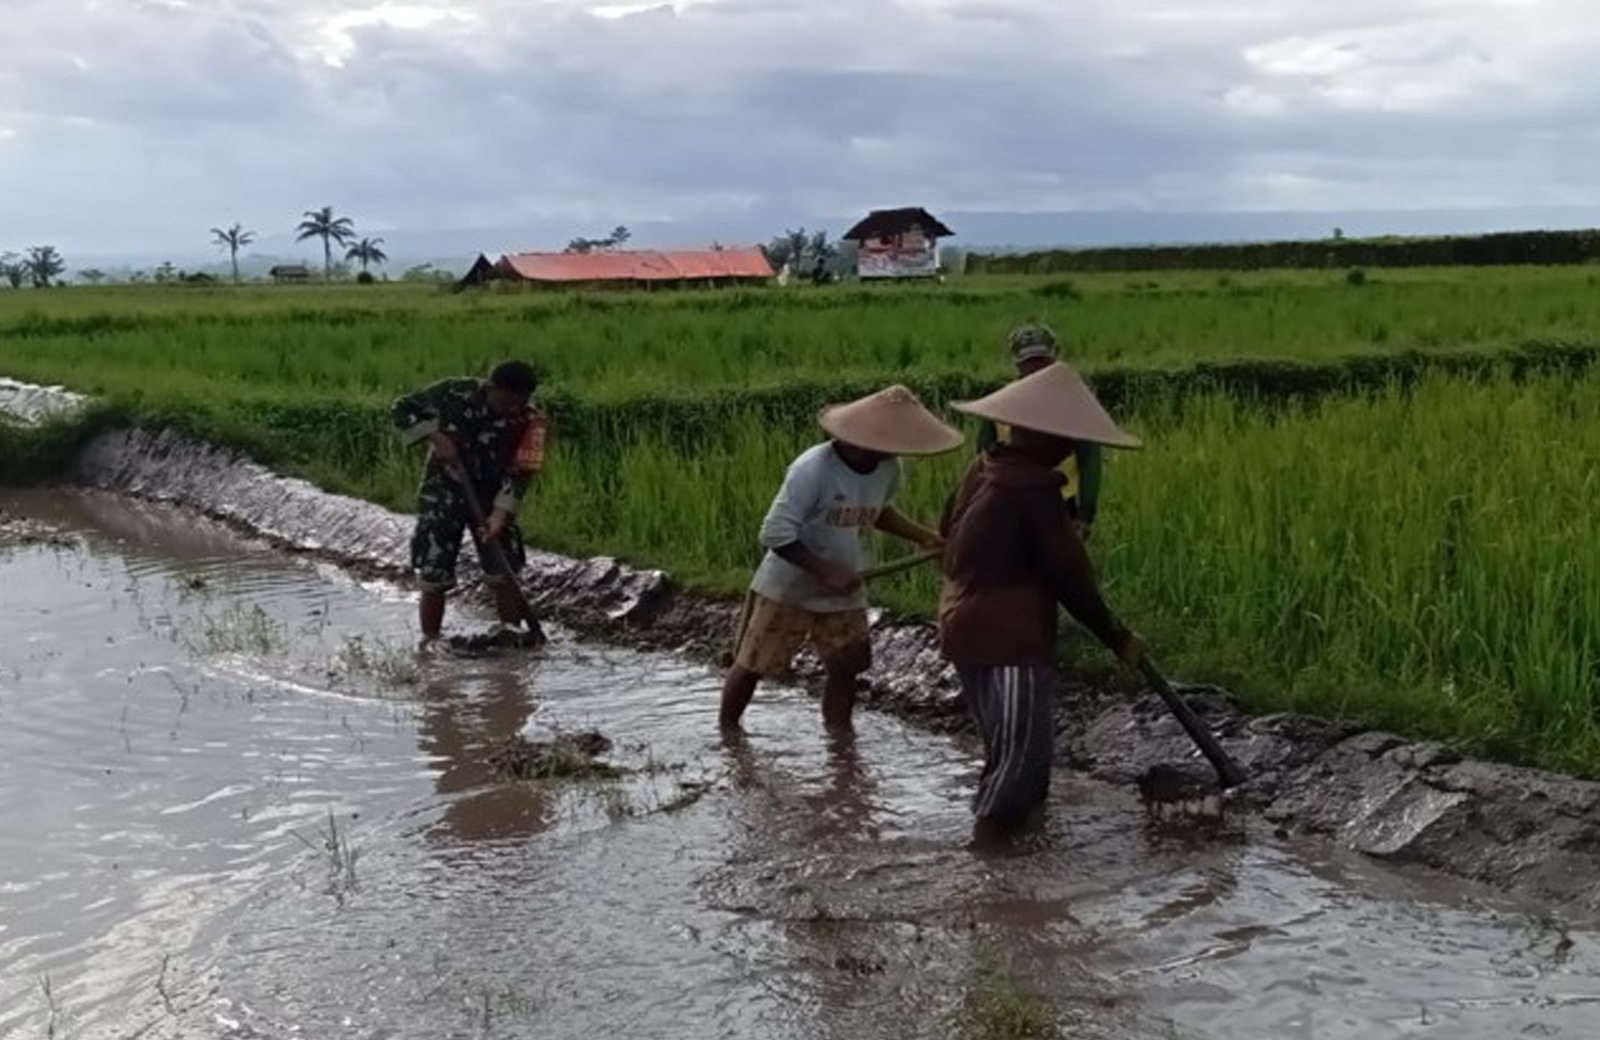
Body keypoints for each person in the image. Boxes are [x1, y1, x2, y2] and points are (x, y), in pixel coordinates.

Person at [940, 360, 1146, 846]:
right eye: (1073, 438)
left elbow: (946, 530)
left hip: (963, 627)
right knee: (1021, 764)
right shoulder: (1034, 492)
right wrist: (1118, 637)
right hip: (1008, 640)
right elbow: (1071, 578)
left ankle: (1025, 857)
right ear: (1055, 439)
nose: (1076, 447)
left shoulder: (984, 466)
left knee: (1006, 752)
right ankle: (988, 875)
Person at [720, 385, 962, 733]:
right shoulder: (813, 469)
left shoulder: (887, 468)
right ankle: (729, 736)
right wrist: (823, 570)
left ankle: (840, 744)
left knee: (846, 666)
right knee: (753, 662)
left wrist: (922, 536)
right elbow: (774, 533)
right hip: (789, 585)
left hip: (846, 582)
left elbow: (878, 511)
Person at [392, 361, 548, 644]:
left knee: (505, 567)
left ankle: (510, 636)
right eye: (504, 402)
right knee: (435, 569)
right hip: (444, 492)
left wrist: (499, 516)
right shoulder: (453, 392)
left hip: (492, 497)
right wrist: (437, 439)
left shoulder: (531, 422)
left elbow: (521, 473)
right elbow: (402, 408)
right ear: (489, 389)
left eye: (518, 403)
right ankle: (431, 642)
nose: (511, 409)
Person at [974, 322, 1104, 538]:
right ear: (1018, 363)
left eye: (1041, 361)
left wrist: (1084, 516)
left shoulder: (1076, 404)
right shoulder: (997, 406)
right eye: (1031, 362)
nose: (1037, 368)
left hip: (1057, 504)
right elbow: (983, 461)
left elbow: (1089, 461)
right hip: (1008, 503)